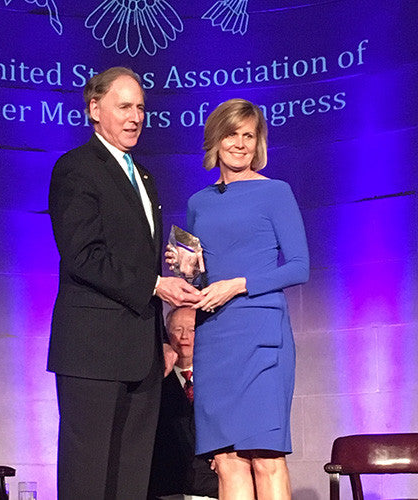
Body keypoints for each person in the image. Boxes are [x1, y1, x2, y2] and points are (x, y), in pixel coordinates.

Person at [47, 66, 202, 499]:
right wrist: (155, 284)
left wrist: (172, 267)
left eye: (140, 108)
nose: (135, 116)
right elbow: (83, 256)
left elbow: (133, 256)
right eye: (124, 106)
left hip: (142, 355)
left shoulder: (144, 176)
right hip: (93, 351)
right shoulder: (75, 168)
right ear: (95, 108)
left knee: (131, 480)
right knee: (89, 478)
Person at [176, 98, 309, 499]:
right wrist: (188, 269)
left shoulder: (276, 193)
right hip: (215, 340)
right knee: (228, 462)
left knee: (266, 459)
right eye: (232, 134)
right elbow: (203, 278)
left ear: (259, 143)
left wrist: (238, 284)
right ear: (216, 138)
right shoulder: (198, 202)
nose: (240, 143)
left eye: (248, 135)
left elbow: (300, 266)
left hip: (261, 338)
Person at [148, 306, 218, 500]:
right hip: (166, 485)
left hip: (214, 484)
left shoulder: (219, 381)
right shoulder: (154, 384)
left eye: (192, 329)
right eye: (177, 330)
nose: (184, 337)